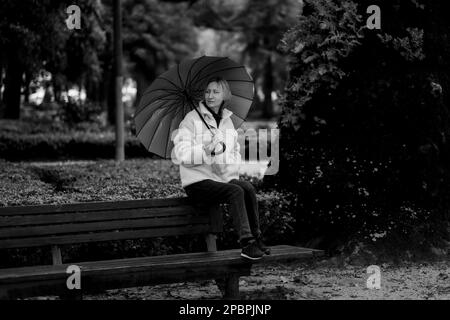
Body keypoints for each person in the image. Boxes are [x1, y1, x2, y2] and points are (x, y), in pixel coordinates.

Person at [171, 77, 270, 260]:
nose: (210, 95)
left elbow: (234, 152)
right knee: (235, 191)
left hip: (220, 179)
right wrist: (206, 149)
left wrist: (225, 164)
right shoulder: (191, 120)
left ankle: (257, 239)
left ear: (225, 95)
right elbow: (181, 154)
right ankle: (246, 243)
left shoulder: (227, 121)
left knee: (247, 188)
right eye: (208, 91)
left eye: (215, 92)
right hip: (197, 182)